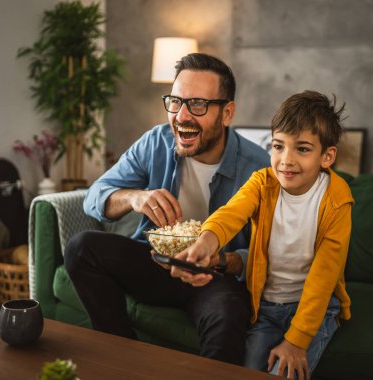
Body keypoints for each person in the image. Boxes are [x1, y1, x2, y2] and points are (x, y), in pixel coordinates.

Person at [64, 52, 270, 365]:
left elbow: (268, 253)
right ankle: (122, 361)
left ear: (227, 113)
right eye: (176, 101)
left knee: (228, 314)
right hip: (155, 263)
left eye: (198, 104)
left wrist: (221, 260)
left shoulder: (258, 168)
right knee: (82, 248)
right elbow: (95, 197)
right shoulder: (155, 142)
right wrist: (134, 197)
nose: (182, 116)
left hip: (213, 277)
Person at [173, 90, 354, 379]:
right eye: (278, 146)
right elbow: (231, 213)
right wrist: (207, 239)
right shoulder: (262, 182)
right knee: (249, 371)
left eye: (302, 149)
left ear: (327, 156)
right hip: (267, 307)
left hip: (315, 309)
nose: (286, 160)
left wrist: (296, 341)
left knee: (285, 371)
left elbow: (324, 275)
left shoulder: (337, 199)